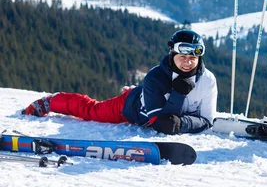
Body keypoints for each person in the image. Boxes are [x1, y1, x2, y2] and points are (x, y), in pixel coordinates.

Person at [23, 29, 218, 135]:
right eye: (182, 55)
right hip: (130, 107)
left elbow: (206, 121)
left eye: (193, 56)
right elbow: (162, 124)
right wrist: (178, 94)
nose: (188, 61)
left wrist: (182, 123)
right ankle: (52, 101)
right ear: (172, 53)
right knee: (91, 111)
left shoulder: (207, 80)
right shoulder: (156, 77)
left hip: (151, 101)